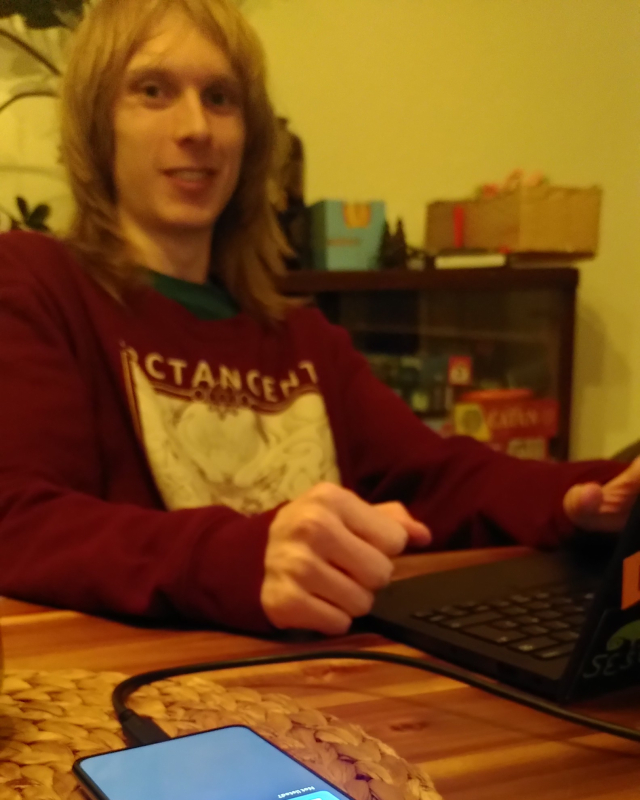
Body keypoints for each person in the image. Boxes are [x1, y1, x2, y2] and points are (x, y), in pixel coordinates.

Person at [0, 0, 638, 637]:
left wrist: (591, 495)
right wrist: (236, 559)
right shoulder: (36, 284)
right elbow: (21, 521)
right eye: (153, 90)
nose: (197, 126)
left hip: (324, 692)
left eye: (221, 98)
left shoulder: (301, 341)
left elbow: (436, 479)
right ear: (95, 122)